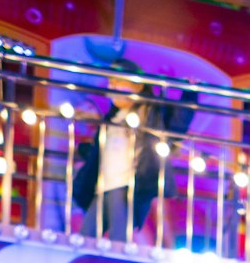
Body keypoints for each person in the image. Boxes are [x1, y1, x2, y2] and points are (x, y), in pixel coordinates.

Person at [73, 62, 195, 242]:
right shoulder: (111, 117)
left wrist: (190, 94)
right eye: (110, 82)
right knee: (87, 234)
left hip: (126, 184)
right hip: (103, 184)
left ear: (137, 86)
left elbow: (178, 124)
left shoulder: (149, 114)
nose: (112, 87)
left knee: (118, 234)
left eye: (118, 82)